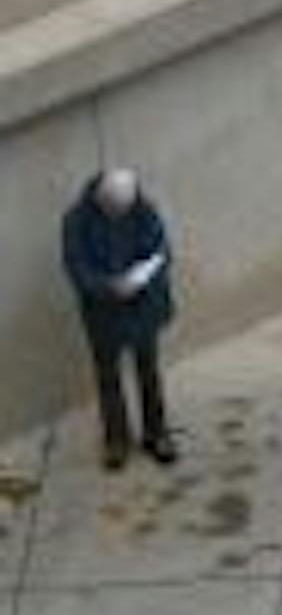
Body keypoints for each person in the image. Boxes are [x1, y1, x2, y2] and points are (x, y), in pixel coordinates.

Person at [61, 169, 178, 470]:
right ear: (100, 198)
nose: (120, 214)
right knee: (108, 377)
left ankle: (156, 433)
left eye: (124, 208)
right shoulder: (76, 220)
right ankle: (116, 441)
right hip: (104, 313)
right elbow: (77, 268)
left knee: (148, 372)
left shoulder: (143, 209)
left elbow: (161, 251)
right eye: (114, 210)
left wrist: (142, 278)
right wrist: (108, 286)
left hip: (142, 307)